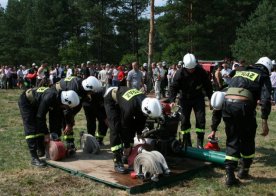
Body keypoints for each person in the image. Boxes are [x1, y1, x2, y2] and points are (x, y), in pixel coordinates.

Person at [208, 56, 272, 187]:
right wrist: (264, 120)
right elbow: (265, 100)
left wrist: (214, 127)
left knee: (232, 139)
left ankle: (230, 176)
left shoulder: (240, 70)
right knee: (247, 138)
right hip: (243, 106)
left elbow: (228, 85)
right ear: (267, 68)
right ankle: (243, 171)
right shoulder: (263, 75)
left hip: (227, 104)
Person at [104, 86, 162, 173]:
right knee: (116, 128)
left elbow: (142, 118)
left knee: (131, 127)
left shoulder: (146, 102)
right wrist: (127, 145)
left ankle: (126, 155)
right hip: (111, 100)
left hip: (124, 99)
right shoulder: (129, 108)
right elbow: (125, 127)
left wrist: (139, 132)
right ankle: (117, 161)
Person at [18, 87, 80, 167]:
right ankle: (34, 158)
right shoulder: (50, 97)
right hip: (26, 101)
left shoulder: (58, 99)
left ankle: (41, 150)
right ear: (65, 101)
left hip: (36, 102)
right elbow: (40, 117)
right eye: (66, 106)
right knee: (32, 128)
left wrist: (55, 137)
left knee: (40, 126)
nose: (65, 108)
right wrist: (46, 133)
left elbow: (55, 121)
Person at [168, 53, 213, 148]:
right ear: (184, 66)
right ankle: (187, 142)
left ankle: (200, 143)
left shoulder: (201, 71)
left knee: (201, 120)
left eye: (193, 68)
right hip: (184, 99)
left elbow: (208, 86)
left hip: (198, 98)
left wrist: (211, 98)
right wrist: (172, 100)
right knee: (184, 121)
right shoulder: (179, 73)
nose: (191, 70)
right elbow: (173, 87)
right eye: (189, 69)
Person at [53, 75, 105, 151]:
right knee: (64, 119)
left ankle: (69, 142)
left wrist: (72, 116)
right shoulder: (74, 89)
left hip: (67, 96)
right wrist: (68, 123)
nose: (92, 93)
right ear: (88, 87)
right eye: (91, 91)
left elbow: (79, 104)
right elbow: (67, 110)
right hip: (58, 97)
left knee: (69, 119)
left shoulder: (82, 85)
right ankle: (68, 143)